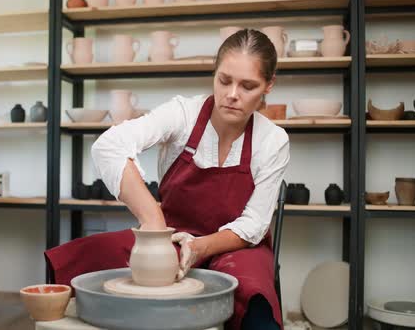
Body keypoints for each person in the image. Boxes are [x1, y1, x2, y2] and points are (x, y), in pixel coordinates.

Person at [45, 29, 290, 330]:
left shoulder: (272, 140)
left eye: (248, 85)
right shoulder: (183, 115)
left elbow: (254, 224)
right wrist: (154, 221)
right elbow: (109, 146)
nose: (232, 95)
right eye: (224, 80)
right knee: (89, 257)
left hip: (239, 247)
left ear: (269, 85)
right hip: (172, 236)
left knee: (255, 303)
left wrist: (201, 247)